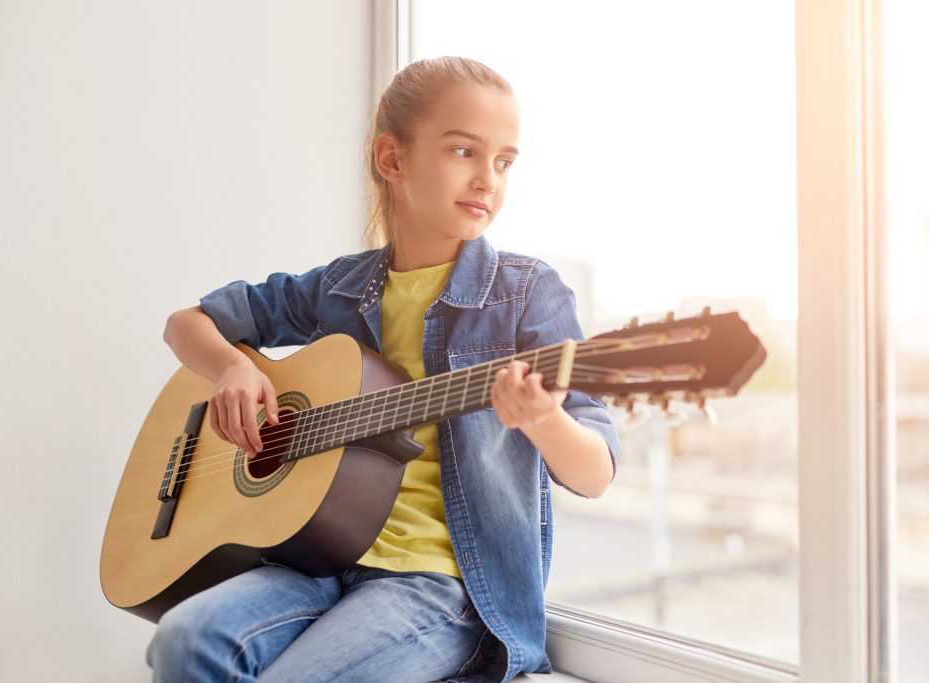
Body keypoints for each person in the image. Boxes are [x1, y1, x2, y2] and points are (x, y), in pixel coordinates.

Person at [149, 55, 620, 683]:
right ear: (392, 160)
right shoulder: (338, 290)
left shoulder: (526, 293)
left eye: (504, 162)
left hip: (438, 586)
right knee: (185, 640)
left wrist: (542, 419)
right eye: (463, 152)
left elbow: (595, 474)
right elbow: (187, 323)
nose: (488, 180)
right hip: (316, 560)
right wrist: (233, 369)